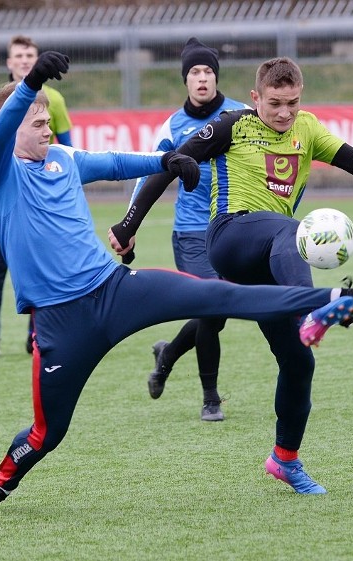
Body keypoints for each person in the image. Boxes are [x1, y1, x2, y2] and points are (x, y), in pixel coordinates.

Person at [0, 51, 353, 512]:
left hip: (115, 289)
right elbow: (5, 128)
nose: (48, 129)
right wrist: (29, 84)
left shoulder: (64, 158)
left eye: (49, 119)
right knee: (49, 433)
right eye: (37, 122)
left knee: (216, 294)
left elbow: (114, 162)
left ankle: (336, 298)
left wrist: (168, 159)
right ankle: (1, 482)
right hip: (62, 322)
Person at [109, 56, 353, 494]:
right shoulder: (233, 125)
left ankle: (285, 459)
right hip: (230, 236)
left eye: (292, 102)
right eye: (275, 104)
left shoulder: (307, 128)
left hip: (274, 263)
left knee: (298, 360)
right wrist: (128, 226)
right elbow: (168, 164)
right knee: (292, 229)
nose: (285, 113)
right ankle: (320, 306)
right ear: (256, 98)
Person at [130, 38, 249, 422]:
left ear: (216, 77)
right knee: (211, 306)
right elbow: (148, 173)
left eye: (208, 72)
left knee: (217, 313)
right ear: (185, 80)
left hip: (234, 227)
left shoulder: (242, 114)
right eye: (195, 72)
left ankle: (167, 353)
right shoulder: (172, 126)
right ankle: (211, 397)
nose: (202, 78)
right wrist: (131, 223)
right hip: (192, 233)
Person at [0, 34, 73, 358]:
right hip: (4, 198)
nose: (25, 61)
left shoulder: (54, 98)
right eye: (19, 56)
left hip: (39, 197)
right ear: (9, 62)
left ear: (38, 60)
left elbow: (67, 146)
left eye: (30, 56)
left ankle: (35, 336)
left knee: (37, 264)